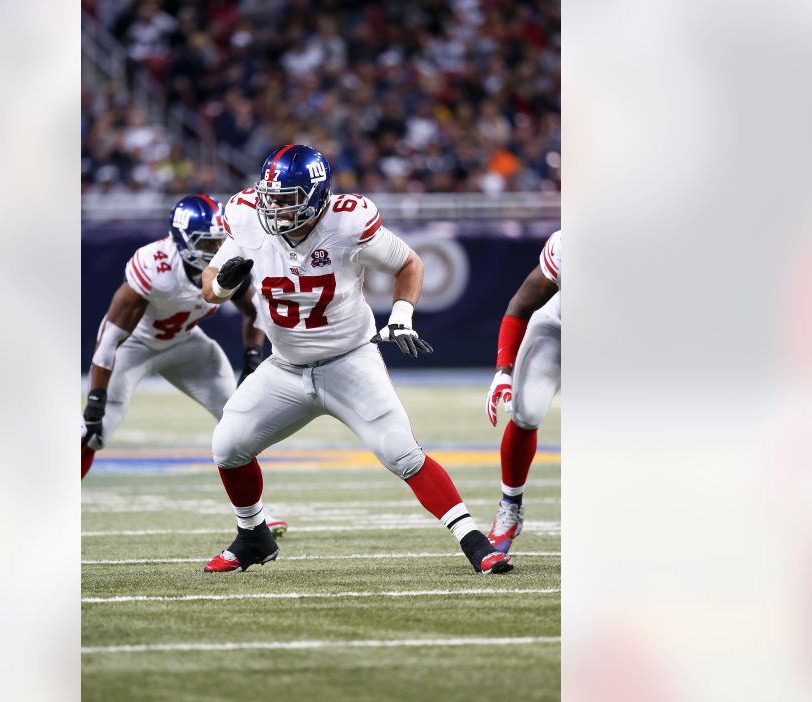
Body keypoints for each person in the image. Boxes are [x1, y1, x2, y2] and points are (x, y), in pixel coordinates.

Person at [198, 144, 514, 574]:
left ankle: (475, 543)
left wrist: (401, 316)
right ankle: (254, 535)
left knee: (402, 452)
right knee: (228, 444)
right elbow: (210, 285)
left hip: (349, 360)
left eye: (287, 199)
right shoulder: (245, 215)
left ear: (315, 196)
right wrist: (220, 288)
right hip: (285, 367)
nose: (276, 208)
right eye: (271, 197)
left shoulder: (347, 221)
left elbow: (409, 264)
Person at [81, 194, 286, 535]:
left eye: (218, 238)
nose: (214, 247)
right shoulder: (155, 266)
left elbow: (256, 313)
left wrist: (251, 359)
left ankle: (259, 516)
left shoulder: (226, 262)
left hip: (186, 345)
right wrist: (95, 399)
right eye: (206, 240)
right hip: (134, 347)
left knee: (238, 426)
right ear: (182, 239)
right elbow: (110, 338)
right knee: (94, 431)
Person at [483, 230, 561, 552]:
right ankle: (510, 508)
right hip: (560, 329)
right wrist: (503, 371)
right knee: (526, 411)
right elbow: (521, 304)